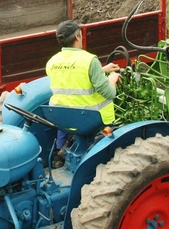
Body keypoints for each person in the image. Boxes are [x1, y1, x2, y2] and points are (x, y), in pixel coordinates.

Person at [45, 20, 121, 163]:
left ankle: (59, 150)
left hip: (61, 117)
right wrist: (112, 78)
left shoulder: (52, 62)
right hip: (88, 118)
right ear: (78, 37)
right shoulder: (90, 60)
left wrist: (101, 70)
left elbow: (71, 77)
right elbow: (110, 93)